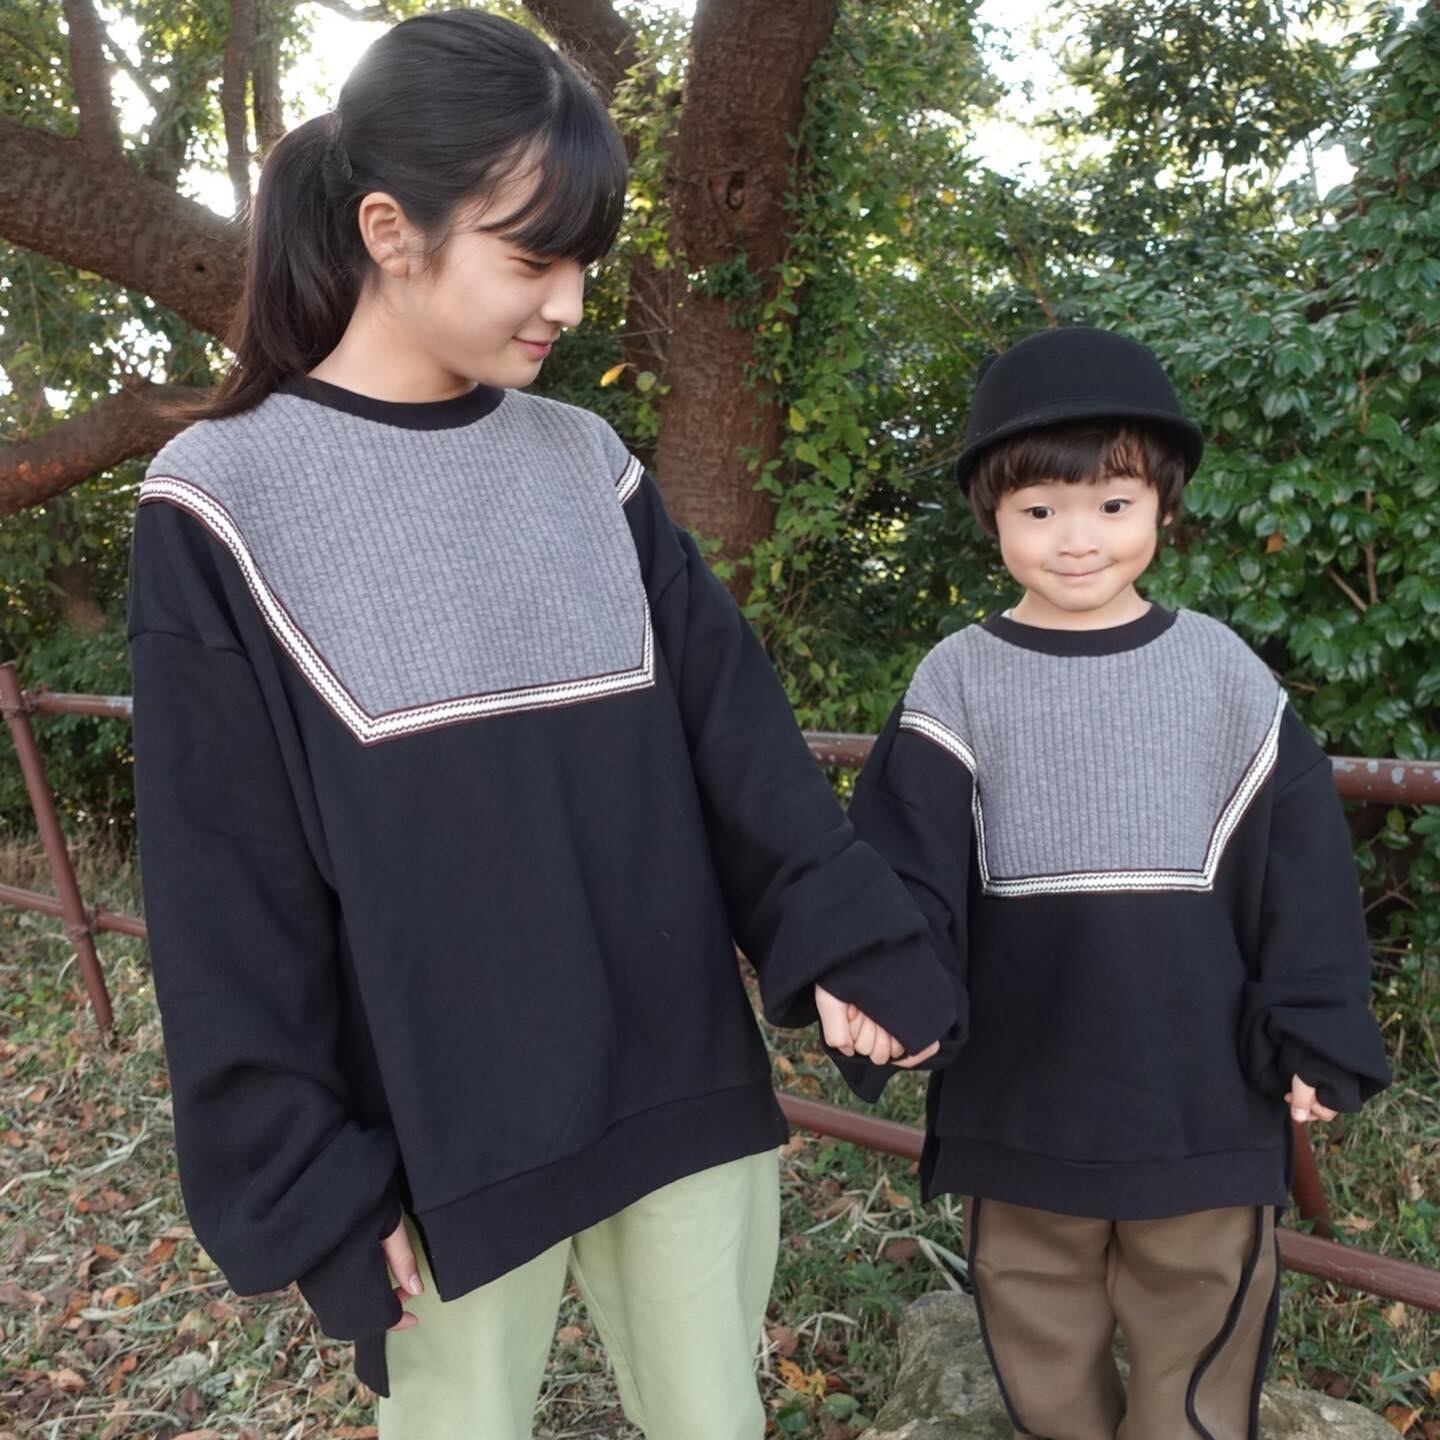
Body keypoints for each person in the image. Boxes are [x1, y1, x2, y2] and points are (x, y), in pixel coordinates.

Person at [125, 12, 953, 1438]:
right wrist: (306, 1177)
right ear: (391, 231)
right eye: (531, 258)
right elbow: (224, 885)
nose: (568, 302)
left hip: (676, 1080)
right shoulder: (220, 499)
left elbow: (736, 740)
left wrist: (847, 938)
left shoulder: (589, 464)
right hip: (437, 1134)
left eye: (584, 261)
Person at [839, 326, 1391, 1440]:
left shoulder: (1224, 676)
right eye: (1040, 509)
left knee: (1199, 1348)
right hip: (1020, 1091)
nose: (1078, 538)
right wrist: (888, 996)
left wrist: (1318, 1025)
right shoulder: (956, 681)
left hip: (1199, 1094)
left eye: (1113, 504)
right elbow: (899, 865)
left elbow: (1303, 872)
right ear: (992, 514)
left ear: (1163, 507)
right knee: (1038, 1337)